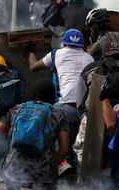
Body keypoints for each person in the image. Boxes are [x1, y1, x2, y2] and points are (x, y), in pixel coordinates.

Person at [0, 80, 70, 190]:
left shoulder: (17, 109)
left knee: (1, 159)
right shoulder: (58, 113)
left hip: (15, 169)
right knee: (47, 186)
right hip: (44, 171)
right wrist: (53, 167)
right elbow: (65, 148)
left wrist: (1, 148)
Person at [29, 28, 93, 173]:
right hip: (84, 112)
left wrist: (31, 51)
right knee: (78, 140)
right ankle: (78, 170)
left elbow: (33, 67)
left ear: (65, 43)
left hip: (65, 107)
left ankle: (59, 162)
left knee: (47, 126)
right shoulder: (89, 58)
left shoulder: (57, 53)